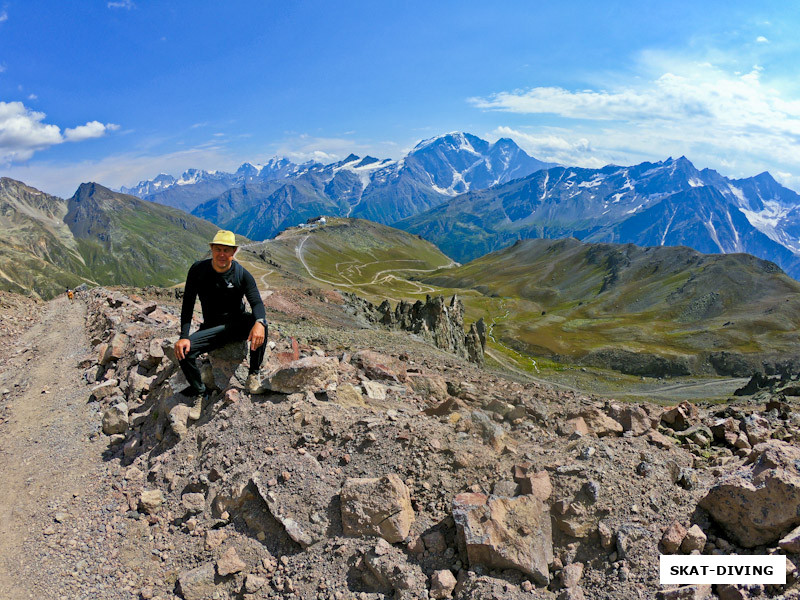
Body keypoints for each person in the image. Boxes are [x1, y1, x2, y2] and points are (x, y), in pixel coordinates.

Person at [174, 230, 267, 397]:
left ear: (234, 252)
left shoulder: (241, 274)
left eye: (226, 250)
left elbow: (257, 303)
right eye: (218, 249)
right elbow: (187, 304)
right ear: (212, 249)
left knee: (261, 324)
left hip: (237, 325)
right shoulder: (198, 271)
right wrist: (183, 336)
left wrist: (259, 322)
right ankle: (200, 393)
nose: (222, 254)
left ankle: (253, 375)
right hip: (212, 328)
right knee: (183, 352)